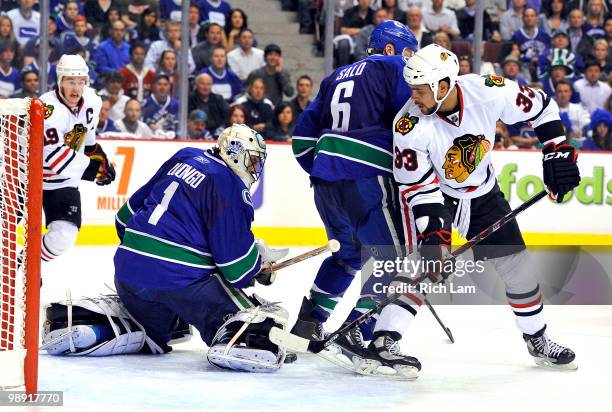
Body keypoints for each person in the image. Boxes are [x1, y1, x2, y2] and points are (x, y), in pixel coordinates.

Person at [355, 43, 580, 378]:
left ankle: (538, 338)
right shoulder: (408, 124)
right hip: (439, 197)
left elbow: (542, 107)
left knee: (518, 269)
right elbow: (417, 188)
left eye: (419, 90)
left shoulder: (488, 91)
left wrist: (555, 151)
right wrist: (434, 235)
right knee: (424, 264)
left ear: (442, 86)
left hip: (484, 196)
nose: (413, 97)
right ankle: (385, 340)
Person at [291, 20, 418, 376]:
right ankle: (356, 332)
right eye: (409, 52)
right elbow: (411, 123)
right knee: (392, 258)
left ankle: (309, 323)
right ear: (391, 49)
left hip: (326, 182)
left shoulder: (335, 77)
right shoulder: (395, 68)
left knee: (347, 255)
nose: (412, 61)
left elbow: (302, 139)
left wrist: (324, 167)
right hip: (368, 178)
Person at [39, 54, 115, 264]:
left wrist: (101, 158)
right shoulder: (48, 109)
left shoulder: (92, 100)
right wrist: (95, 170)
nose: (76, 88)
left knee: (65, 235)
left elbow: (88, 137)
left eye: (81, 82)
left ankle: (28, 267)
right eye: (71, 81)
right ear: (60, 82)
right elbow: (54, 156)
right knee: (4, 228)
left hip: (62, 183)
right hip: (27, 178)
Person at [143, 74, 179, 138]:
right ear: (153, 86)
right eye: (159, 84)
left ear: (169, 87)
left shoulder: (175, 104)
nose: (162, 87)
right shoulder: (145, 103)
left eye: (165, 84)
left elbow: (178, 126)